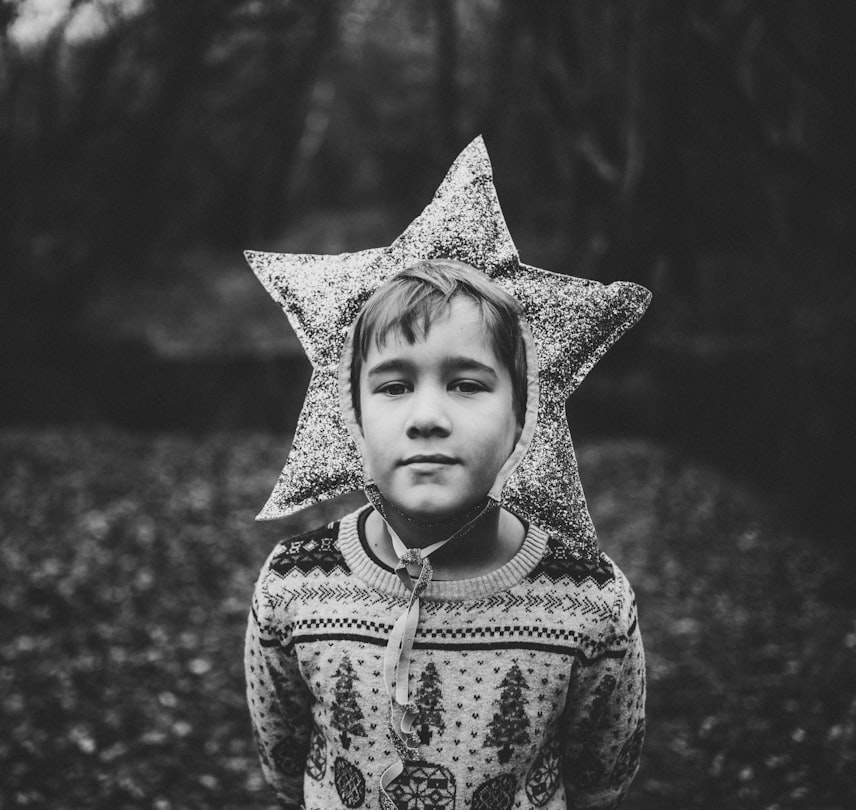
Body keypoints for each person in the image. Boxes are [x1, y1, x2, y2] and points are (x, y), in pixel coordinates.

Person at [244, 258, 647, 810]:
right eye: (393, 386)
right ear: (352, 415)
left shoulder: (592, 603)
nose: (427, 416)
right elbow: (286, 763)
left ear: (524, 417)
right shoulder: (292, 585)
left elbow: (600, 781)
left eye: (466, 384)